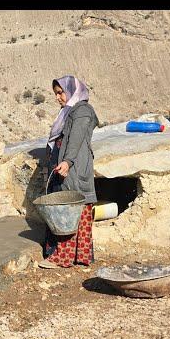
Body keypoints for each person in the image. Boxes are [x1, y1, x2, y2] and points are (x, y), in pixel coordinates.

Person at [38, 76, 99, 269]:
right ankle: (79, 256)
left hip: (75, 167)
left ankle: (62, 258)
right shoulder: (68, 111)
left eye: (61, 92)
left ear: (72, 91)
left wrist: (67, 161)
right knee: (74, 209)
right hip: (69, 166)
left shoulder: (82, 111)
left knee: (69, 209)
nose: (58, 97)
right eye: (56, 93)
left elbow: (76, 138)